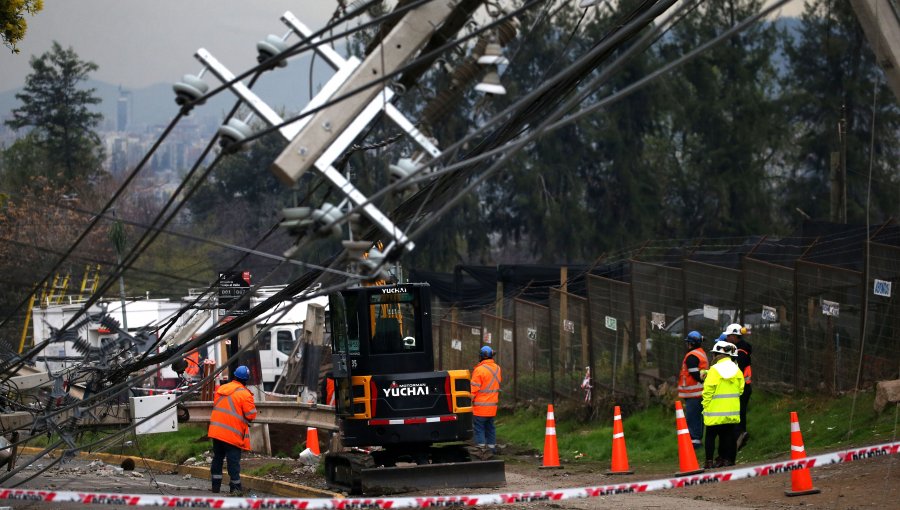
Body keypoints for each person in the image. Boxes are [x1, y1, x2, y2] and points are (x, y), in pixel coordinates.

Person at [208, 365, 257, 496]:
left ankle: (215, 485)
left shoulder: (222, 389)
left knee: (217, 457)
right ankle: (235, 487)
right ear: (246, 380)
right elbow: (251, 415)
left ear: (234, 376)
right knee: (233, 461)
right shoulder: (245, 394)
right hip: (231, 433)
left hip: (217, 431)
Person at [702, 340, 744, 468]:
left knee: (710, 436)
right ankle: (727, 460)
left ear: (717, 355)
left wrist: (705, 405)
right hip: (731, 410)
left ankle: (709, 462)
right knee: (727, 435)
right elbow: (741, 390)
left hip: (714, 410)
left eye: (714, 354)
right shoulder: (737, 370)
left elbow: (708, 390)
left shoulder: (714, 370)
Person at [677, 331, 708, 452]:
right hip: (699, 392)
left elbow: (695, 374)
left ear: (690, 343)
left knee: (692, 417)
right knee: (697, 418)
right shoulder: (700, 353)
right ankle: (697, 441)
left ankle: (695, 443)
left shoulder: (692, 356)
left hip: (694, 393)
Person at [471, 345, 502, 458]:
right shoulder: (498, 368)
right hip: (492, 407)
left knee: (479, 429)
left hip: (480, 408)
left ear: (482, 356)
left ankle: (481, 451)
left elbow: (473, 389)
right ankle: (492, 450)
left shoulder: (479, 370)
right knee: (490, 428)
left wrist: (467, 400)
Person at [725, 323, 752, 450]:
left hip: (741, 387)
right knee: (739, 412)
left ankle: (740, 436)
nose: (727, 338)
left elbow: (737, 369)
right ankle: (741, 436)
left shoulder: (740, 351)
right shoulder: (740, 349)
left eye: (728, 336)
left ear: (734, 336)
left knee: (738, 412)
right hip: (743, 386)